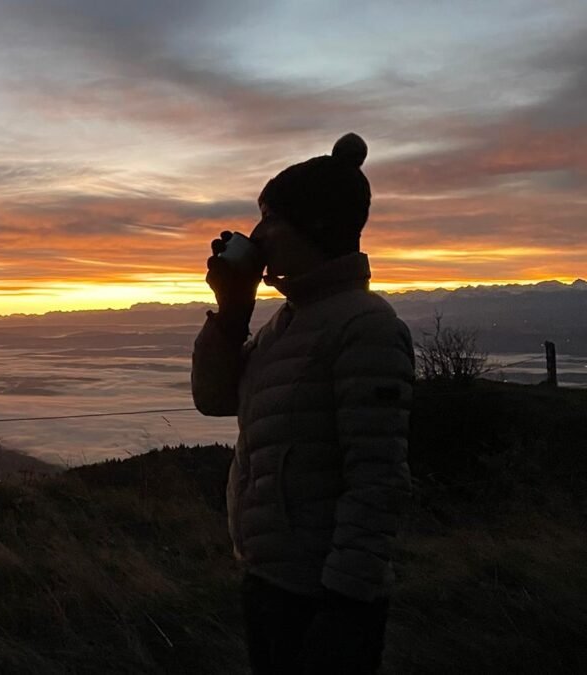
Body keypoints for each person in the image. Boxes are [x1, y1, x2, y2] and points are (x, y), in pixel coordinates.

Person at [191, 133, 415, 674]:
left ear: (315, 226)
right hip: (272, 577)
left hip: (323, 595)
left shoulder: (364, 326)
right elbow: (215, 398)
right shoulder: (291, 320)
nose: (259, 236)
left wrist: (344, 608)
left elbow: (377, 479)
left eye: (271, 220)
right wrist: (233, 307)